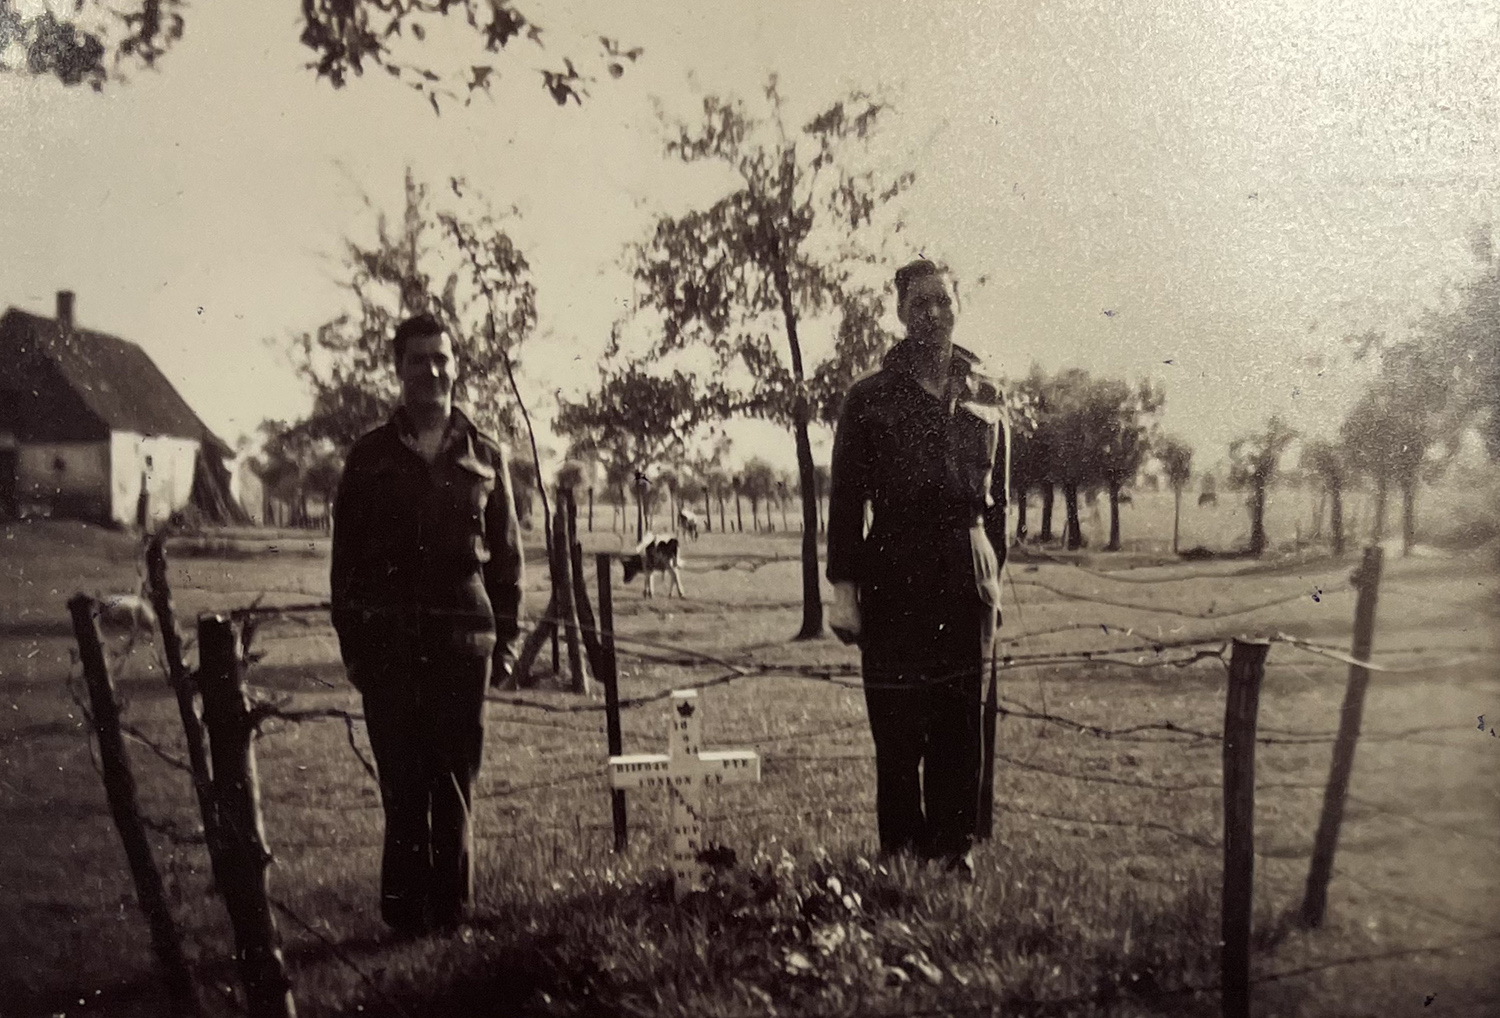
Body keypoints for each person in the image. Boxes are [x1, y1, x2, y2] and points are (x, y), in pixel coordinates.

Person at [331, 312, 524, 934]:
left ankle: (453, 913)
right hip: (389, 649)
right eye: (420, 359)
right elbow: (347, 565)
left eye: (443, 358)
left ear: (456, 365)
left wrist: (507, 643)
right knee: (403, 786)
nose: (433, 370)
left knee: (456, 783)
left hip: (465, 643)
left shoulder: (485, 453)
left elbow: (508, 560)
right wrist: (355, 651)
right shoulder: (369, 456)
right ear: (398, 368)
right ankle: (404, 917)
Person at [825, 258, 1010, 875]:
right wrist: (844, 591)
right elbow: (847, 500)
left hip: (967, 558)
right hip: (895, 563)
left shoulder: (987, 394)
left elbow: (1000, 502)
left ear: (959, 305)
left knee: (962, 714)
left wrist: (995, 579)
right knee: (899, 719)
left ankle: (954, 850)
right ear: (900, 313)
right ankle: (902, 852)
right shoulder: (869, 397)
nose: (933, 313)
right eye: (919, 303)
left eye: (943, 301)